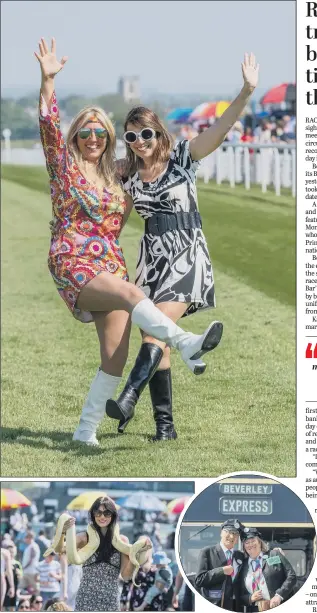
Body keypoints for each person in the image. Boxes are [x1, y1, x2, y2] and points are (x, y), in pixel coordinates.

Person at [35, 36, 226, 447]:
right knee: (131, 292)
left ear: (108, 138)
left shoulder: (118, 172)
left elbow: (151, 156)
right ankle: (184, 341)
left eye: (100, 132)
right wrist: (48, 83)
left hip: (110, 264)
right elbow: (49, 130)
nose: (92, 138)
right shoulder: (64, 169)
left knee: (116, 356)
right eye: (85, 131)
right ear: (76, 136)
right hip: (73, 261)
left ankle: (85, 432)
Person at [107, 52, 259, 441]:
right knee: (154, 337)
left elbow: (221, 129)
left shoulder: (182, 157)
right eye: (132, 136)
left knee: (158, 332)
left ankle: (128, 397)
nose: (140, 142)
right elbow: (108, 210)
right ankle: (165, 429)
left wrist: (245, 92)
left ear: (159, 133)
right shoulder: (127, 175)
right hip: (151, 259)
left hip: (187, 254)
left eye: (146, 134)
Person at [60, 495, 151, 612]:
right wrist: (64, 531)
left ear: (113, 515)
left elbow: (126, 576)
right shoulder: (84, 537)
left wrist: (135, 556)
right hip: (85, 598)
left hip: (110, 600)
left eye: (107, 513)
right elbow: (61, 550)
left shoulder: (122, 541)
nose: (102, 517)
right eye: (98, 512)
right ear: (93, 514)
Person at [237, 527, 297, 611]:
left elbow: (291, 576)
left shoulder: (274, 555)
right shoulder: (242, 565)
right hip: (254, 609)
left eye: (253, 541)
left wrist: (279, 595)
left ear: (259, 542)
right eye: (247, 542)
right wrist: (250, 598)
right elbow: (238, 591)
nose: (250, 544)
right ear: (244, 546)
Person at [195, 519, 245, 610]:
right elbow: (199, 580)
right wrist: (221, 571)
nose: (231, 536)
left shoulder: (240, 555)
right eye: (229, 532)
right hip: (215, 604)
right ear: (221, 532)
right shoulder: (207, 552)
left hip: (235, 606)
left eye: (235, 533)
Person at [3, 544, 23, 612]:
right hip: (5, 586)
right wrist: (7, 572)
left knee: (12, 605)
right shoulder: (4, 563)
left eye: (12, 552)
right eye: (9, 552)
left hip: (14, 586)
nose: (11, 554)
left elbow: (21, 576)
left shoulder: (17, 563)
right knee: (3, 605)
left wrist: (18, 573)